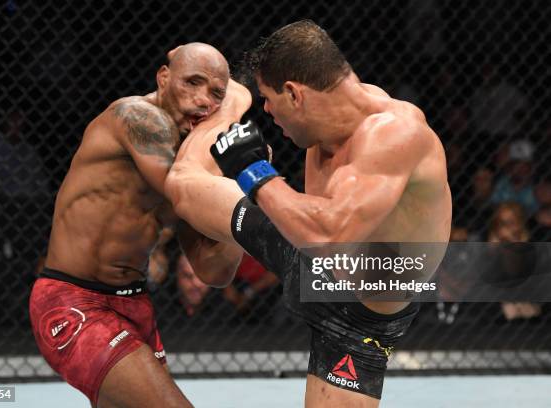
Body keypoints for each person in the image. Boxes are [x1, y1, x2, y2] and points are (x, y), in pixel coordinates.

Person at [166, 20, 451, 407]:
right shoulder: (328, 117)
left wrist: (253, 172)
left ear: (294, 94)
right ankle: (229, 104)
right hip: (307, 254)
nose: (266, 110)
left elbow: (331, 236)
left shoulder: (393, 134)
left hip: (359, 314)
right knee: (183, 185)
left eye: (268, 98)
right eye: (258, 99)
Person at [29, 43, 251, 408]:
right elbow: (186, 191)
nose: (202, 100)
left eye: (215, 94)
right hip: (75, 302)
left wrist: (247, 184)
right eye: (192, 83)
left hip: (135, 306)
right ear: (163, 77)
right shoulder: (135, 117)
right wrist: (234, 106)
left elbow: (215, 270)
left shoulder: (189, 165)